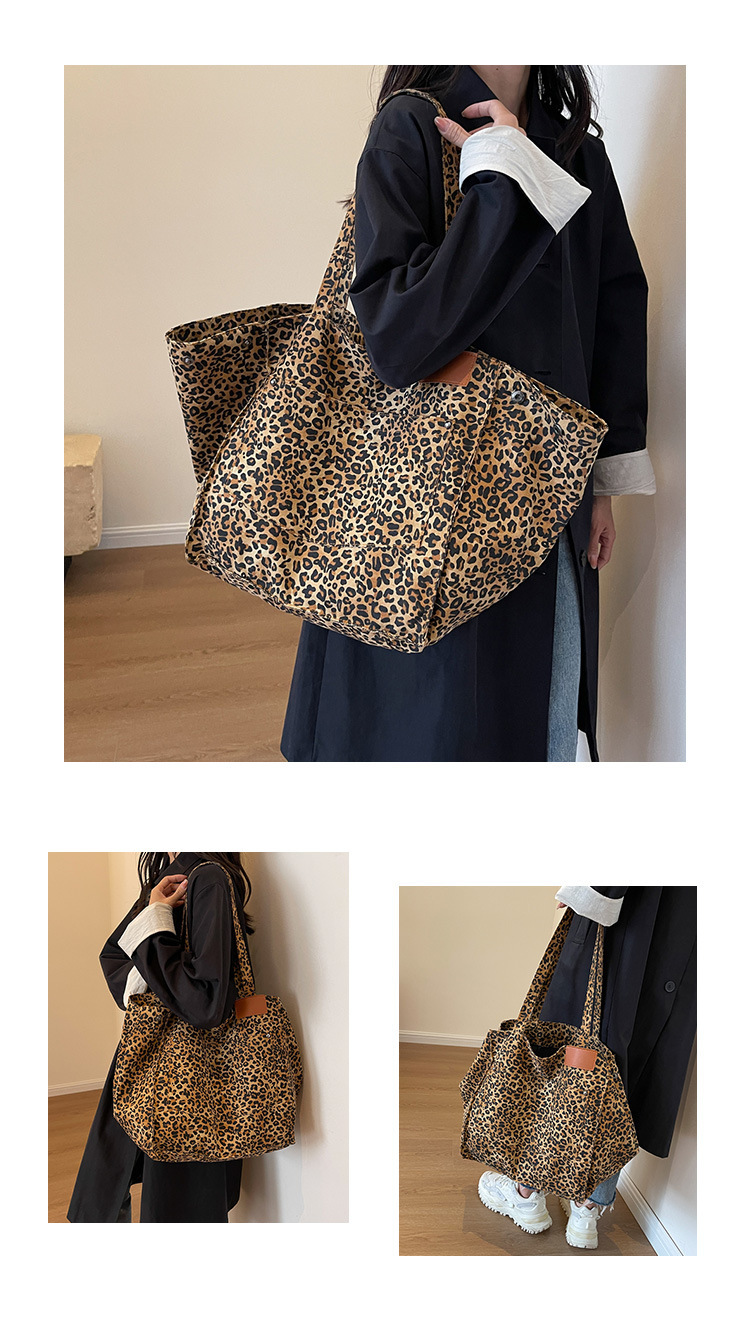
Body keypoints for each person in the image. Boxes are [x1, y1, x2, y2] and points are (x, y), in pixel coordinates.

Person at [281, 65, 656, 763]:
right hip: (420, 506)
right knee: (428, 730)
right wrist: (500, 176)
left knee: (539, 727)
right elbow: (397, 338)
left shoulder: (578, 151)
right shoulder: (409, 128)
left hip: (547, 504)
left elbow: (613, 312)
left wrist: (602, 484)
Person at [477, 886, 697, 1249]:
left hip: (626, 920)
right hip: (683, 934)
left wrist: (589, 886)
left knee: (568, 1051)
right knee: (624, 1065)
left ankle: (525, 1192)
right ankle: (588, 1207)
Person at [67, 852, 253, 1223]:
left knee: (176, 1205)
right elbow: (113, 956)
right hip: (149, 1054)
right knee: (109, 1183)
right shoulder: (165, 882)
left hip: (191, 1072)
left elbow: (205, 1002)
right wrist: (155, 912)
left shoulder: (208, 878)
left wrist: (155, 922)